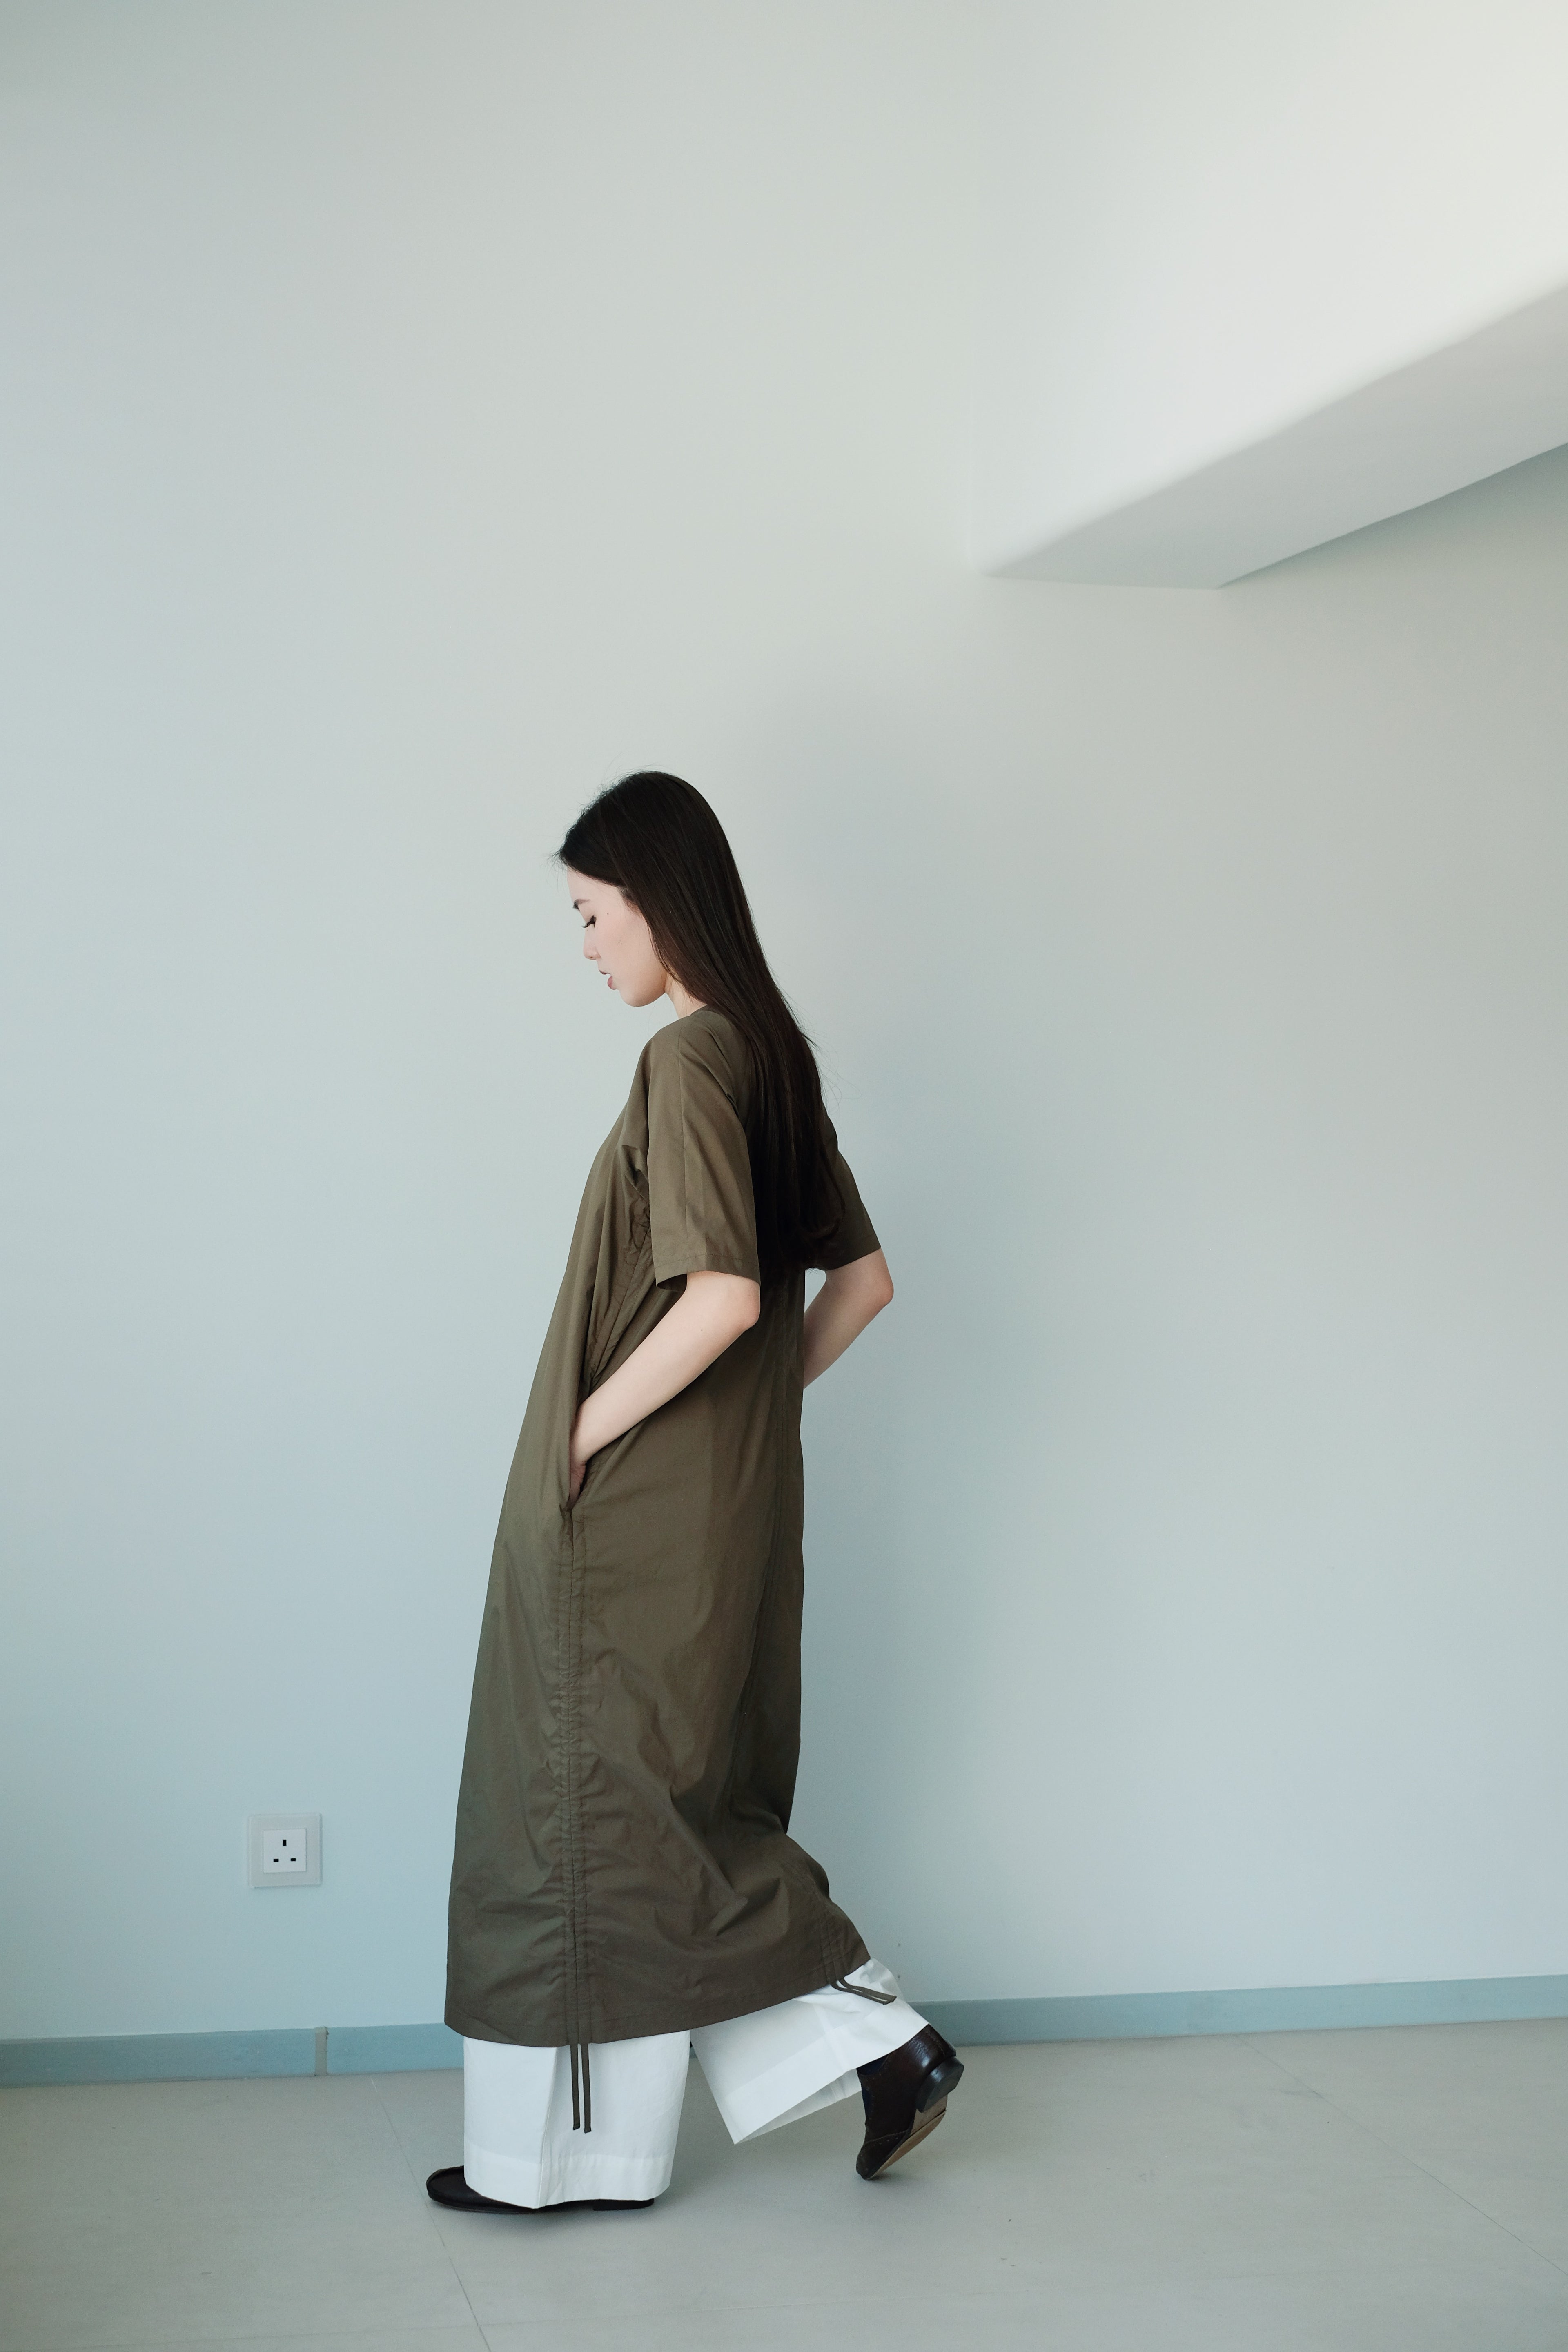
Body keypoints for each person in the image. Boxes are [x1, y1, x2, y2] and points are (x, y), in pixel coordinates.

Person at [427, 771, 961, 2216]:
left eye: (592, 913)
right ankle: (598, 2155)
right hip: (724, 1509)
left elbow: (725, 1297)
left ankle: (866, 2042)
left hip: (635, 1517)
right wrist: (749, 1424)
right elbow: (863, 1284)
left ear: (657, 901)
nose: (585, 944)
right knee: (653, 1808)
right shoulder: (771, 1059)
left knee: (580, 1810)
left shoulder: (686, 1061)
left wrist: (583, 1434)